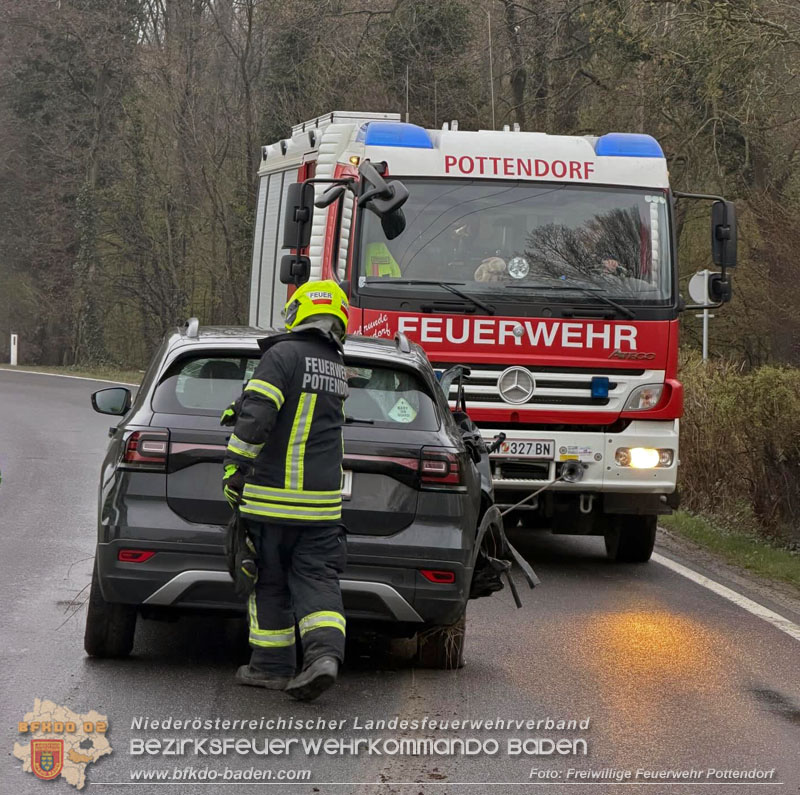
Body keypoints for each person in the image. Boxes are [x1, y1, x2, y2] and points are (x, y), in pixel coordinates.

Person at [221, 280, 350, 702]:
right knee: (317, 581)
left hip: (272, 500)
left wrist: (235, 467)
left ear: (296, 312)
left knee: (269, 582)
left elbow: (258, 416)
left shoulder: (282, 355)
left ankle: (270, 667)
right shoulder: (335, 364)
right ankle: (324, 657)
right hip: (323, 507)